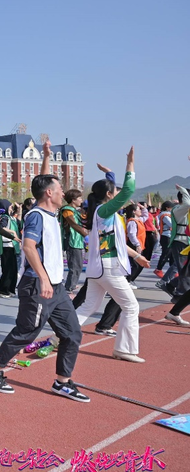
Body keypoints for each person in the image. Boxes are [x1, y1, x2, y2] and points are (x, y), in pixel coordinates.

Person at [0, 166, 90, 402]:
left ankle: (62, 382)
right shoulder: (36, 217)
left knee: (72, 333)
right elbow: (29, 247)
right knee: (26, 332)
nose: (63, 193)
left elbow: (42, 180)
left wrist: (47, 158)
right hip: (37, 285)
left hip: (57, 287)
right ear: (49, 193)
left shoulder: (52, 215)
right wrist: (43, 278)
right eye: (59, 189)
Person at [76, 147, 148, 363]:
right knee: (131, 306)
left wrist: (136, 256)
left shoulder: (104, 213)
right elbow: (128, 190)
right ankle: (125, 349)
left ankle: (61, 336)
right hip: (108, 268)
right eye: (113, 191)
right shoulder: (105, 212)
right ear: (109, 195)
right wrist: (130, 165)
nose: (117, 194)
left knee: (89, 306)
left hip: (99, 268)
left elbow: (115, 242)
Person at [60, 189, 88, 293]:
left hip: (78, 241)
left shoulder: (77, 211)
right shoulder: (67, 210)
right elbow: (73, 223)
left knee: (79, 265)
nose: (81, 200)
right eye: (79, 198)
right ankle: (69, 287)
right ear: (73, 199)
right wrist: (85, 235)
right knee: (74, 265)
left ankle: (72, 284)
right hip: (72, 240)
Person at [0, 199, 20, 298]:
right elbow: (1, 228)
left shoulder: (10, 217)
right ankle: (1, 290)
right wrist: (12, 233)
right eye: (10, 206)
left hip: (11, 246)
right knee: (8, 269)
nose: (11, 208)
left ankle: (10, 289)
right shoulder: (5, 218)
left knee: (13, 269)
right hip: (6, 246)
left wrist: (19, 210)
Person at [124, 203, 146, 286]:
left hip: (138, 245)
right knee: (135, 265)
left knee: (138, 264)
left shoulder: (139, 220)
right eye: (138, 209)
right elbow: (131, 234)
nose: (140, 211)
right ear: (134, 211)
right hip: (133, 245)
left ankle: (128, 281)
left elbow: (146, 216)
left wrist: (144, 208)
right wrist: (137, 245)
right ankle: (127, 281)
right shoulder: (132, 222)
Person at [155, 201, 174, 277]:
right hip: (166, 236)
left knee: (172, 254)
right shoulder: (165, 215)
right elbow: (172, 224)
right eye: (171, 207)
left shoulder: (167, 214)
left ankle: (173, 270)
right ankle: (158, 269)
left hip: (169, 235)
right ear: (167, 208)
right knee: (166, 254)